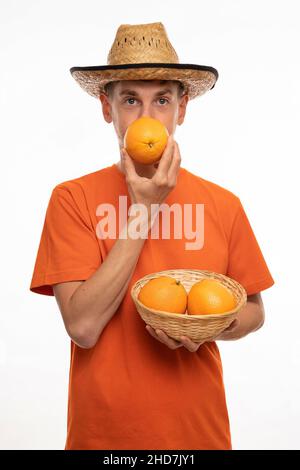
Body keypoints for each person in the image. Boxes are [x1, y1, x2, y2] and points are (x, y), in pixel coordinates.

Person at [29, 22, 275, 450]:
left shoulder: (224, 203)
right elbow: (83, 326)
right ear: (108, 108)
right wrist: (144, 210)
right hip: (102, 441)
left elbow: (254, 312)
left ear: (182, 109)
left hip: (200, 438)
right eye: (130, 99)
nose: (147, 118)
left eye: (162, 99)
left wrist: (208, 327)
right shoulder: (72, 199)